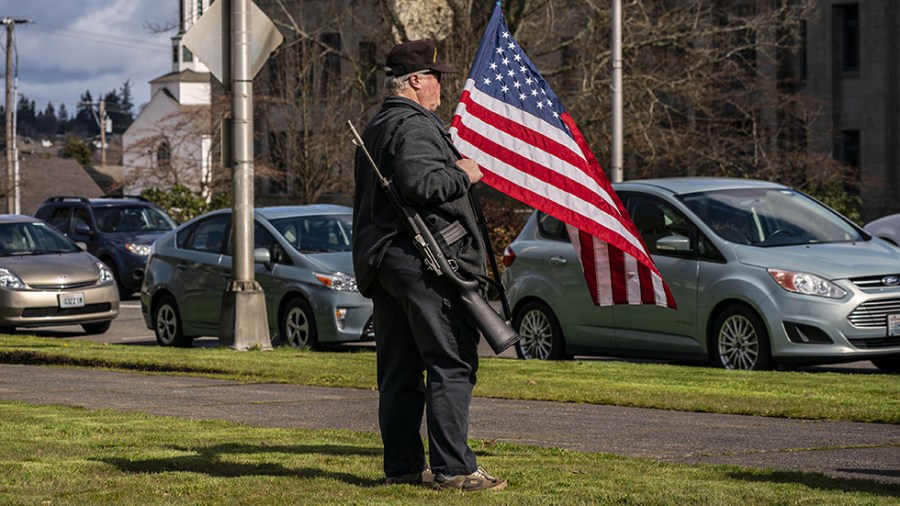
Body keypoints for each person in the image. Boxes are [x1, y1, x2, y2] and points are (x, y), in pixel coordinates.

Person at [352, 38, 507, 492]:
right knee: (451, 361)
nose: (441, 86)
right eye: (436, 77)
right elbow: (422, 182)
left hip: (388, 263)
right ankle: (456, 469)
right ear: (415, 81)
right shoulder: (414, 125)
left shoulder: (380, 125)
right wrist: (466, 173)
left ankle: (402, 468)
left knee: (400, 373)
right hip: (424, 264)